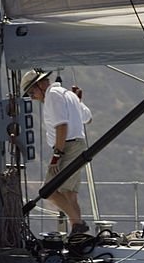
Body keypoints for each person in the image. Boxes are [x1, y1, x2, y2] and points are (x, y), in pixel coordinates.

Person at [22, 68, 92, 235]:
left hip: (66, 147)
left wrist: (57, 155)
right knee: (69, 193)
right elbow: (88, 118)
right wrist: (78, 102)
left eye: (32, 92)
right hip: (77, 145)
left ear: (40, 85)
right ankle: (78, 235)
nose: (32, 97)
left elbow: (62, 126)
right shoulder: (68, 94)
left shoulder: (52, 95)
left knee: (49, 191)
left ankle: (78, 223)